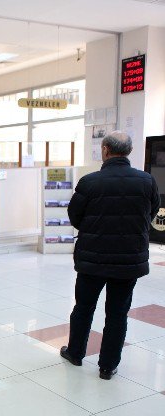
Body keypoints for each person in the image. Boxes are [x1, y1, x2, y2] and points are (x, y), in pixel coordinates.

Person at [60, 131, 160, 380]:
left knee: (83, 307)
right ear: (129, 152)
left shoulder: (90, 182)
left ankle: (75, 353)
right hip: (128, 260)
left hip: (92, 259)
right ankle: (108, 366)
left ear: (105, 150)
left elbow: (75, 217)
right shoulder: (146, 181)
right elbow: (152, 210)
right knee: (117, 313)